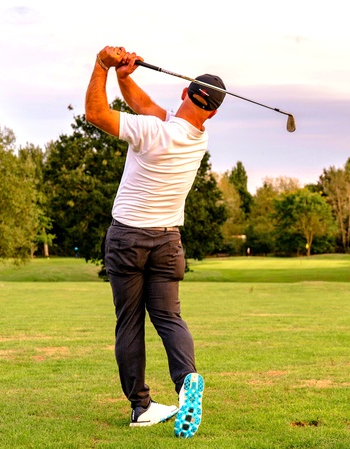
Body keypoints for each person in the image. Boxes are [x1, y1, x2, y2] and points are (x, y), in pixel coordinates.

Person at [85, 46, 225, 438]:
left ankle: (141, 407)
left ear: (183, 93)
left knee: (129, 322)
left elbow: (96, 114)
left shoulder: (152, 131)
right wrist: (125, 78)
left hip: (127, 239)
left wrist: (102, 66)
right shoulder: (197, 137)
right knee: (168, 317)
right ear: (212, 112)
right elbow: (146, 106)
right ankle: (187, 380)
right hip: (167, 243)